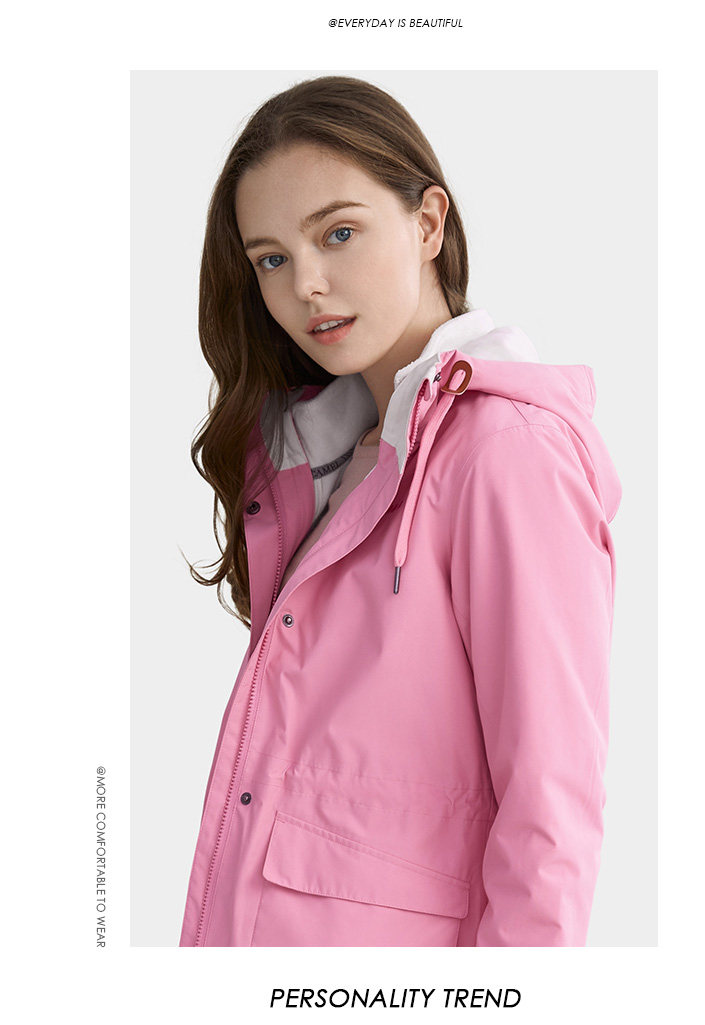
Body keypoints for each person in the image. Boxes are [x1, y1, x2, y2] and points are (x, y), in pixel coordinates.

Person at [178, 75, 622, 947]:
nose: (307, 284)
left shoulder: (505, 452)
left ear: (428, 223)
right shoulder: (317, 461)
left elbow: (552, 810)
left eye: (337, 233)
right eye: (271, 258)